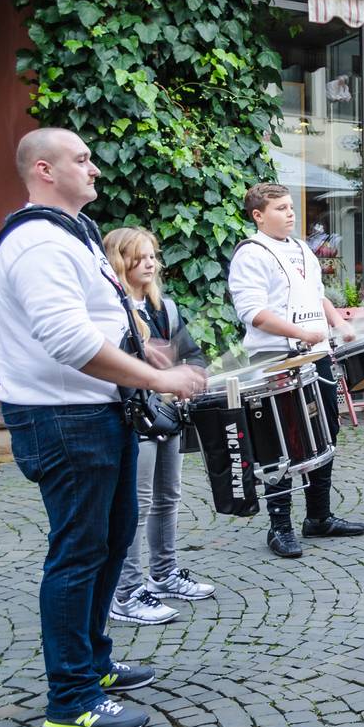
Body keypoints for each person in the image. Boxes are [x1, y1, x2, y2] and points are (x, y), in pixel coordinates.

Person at [0, 127, 207, 727]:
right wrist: (156, 380)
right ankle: (71, 697)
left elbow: (102, 319)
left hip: (95, 412)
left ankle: (92, 661)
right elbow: (65, 341)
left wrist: (151, 355)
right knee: (79, 551)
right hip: (62, 418)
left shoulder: (77, 234)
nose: (95, 169)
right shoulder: (39, 243)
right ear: (43, 170)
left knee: (113, 539)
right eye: (81, 160)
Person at [228, 182, 364, 558]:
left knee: (325, 430)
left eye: (291, 207)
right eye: (281, 208)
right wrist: (301, 333)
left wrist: (338, 323)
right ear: (258, 215)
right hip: (276, 357)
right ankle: (280, 526)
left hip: (315, 354)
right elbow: (253, 313)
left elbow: (316, 294)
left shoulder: (303, 248)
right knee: (281, 439)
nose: (291, 213)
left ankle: (319, 517)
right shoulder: (250, 253)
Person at [103, 227, 215, 626]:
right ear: (120, 260)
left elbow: (193, 355)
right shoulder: (112, 312)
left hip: (168, 416)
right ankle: (127, 591)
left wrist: (190, 373)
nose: (149, 263)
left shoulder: (164, 308)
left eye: (152, 255)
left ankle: (164, 574)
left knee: (169, 497)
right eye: (140, 256)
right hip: (133, 418)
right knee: (137, 505)